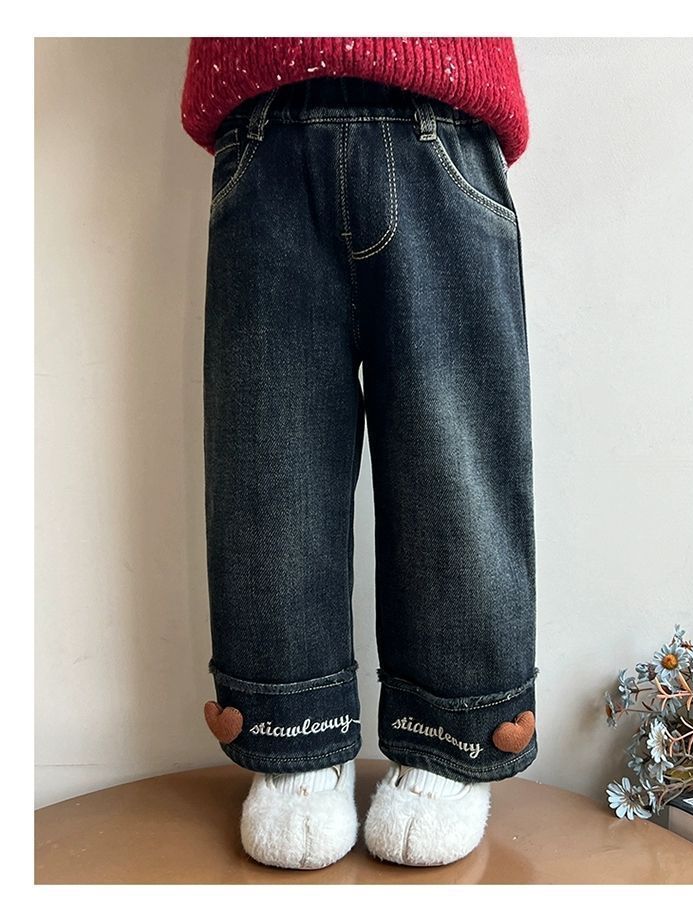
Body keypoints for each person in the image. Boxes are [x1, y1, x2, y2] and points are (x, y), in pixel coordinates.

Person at [181, 36, 538, 870]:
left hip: (446, 121)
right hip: (262, 129)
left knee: (453, 459)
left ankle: (452, 733)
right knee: (268, 452)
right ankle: (293, 733)